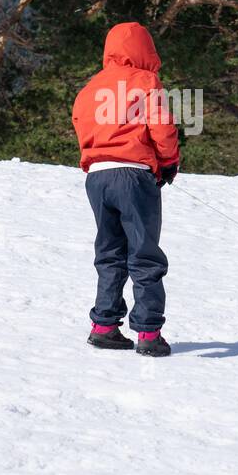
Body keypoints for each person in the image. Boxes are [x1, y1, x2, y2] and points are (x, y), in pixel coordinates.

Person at [71, 22, 180, 357]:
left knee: (109, 251)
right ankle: (148, 333)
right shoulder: (146, 82)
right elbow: (161, 127)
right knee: (143, 252)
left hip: (97, 177)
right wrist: (168, 162)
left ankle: (104, 326)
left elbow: (81, 123)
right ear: (145, 49)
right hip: (134, 176)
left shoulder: (91, 88)